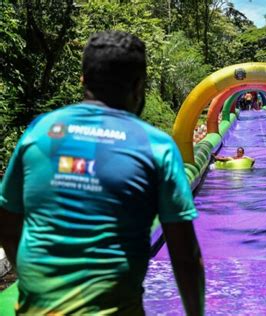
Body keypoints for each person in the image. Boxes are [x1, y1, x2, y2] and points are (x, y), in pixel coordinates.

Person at [0, 31, 204, 315]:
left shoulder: (40, 131)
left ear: (83, 80)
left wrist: (36, 285)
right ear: (139, 84)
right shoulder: (155, 147)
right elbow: (185, 255)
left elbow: (8, 227)